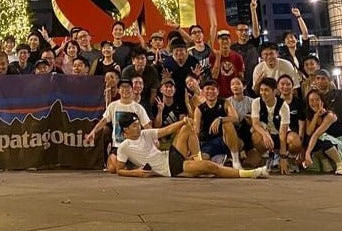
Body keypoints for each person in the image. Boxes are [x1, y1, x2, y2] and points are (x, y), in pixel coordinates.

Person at [114, 113, 268, 179]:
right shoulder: (124, 146)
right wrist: (135, 172)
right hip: (169, 168)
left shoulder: (145, 134)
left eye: (138, 124)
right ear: (126, 129)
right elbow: (119, 169)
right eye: (134, 126)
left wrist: (183, 121)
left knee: (187, 127)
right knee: (210, 166)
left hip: (169, 156)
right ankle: (250, 173)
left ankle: (197, 159)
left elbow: (166, 130)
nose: (139, 127)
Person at [84, 78, 151, 173]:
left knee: (132, 167)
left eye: (128, 88)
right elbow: (104, 120)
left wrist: (154, 139)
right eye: (122, 88)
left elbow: (147, 126)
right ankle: (126, 167)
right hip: (117, 146)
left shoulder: (138, 108)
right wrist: (93, 132)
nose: (125, 90)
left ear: (132, 90)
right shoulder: (113, 105)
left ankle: (131, 166)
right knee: (112, 169)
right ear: (119, 90)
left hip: (134, 146)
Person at [302, 88, 342, 175]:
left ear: (322, 101)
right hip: (327, 145)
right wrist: (316, 116)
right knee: (314, 166)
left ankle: (341, 164)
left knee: (321, 136)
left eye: (317, 100)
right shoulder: (310, 115)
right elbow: (309, 132)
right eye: (311, 100)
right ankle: (325, 161)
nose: (314, 103)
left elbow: (317, 134)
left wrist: (307, 153)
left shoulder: (330, 115)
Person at [251, 76, 292, 174]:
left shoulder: (283, 106)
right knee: (255, 136)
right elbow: (255, 123)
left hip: (280, 134)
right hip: (267, 134)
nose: (263, 93)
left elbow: (283, 133)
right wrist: (265, 134)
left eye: (266, 90)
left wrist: (283, 156)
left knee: (294, 141)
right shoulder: (256, 102)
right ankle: (267, 156)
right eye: (261, 90)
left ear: (274, 91)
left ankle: (288, 159)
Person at [194, 78, 234, 166]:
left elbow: (235, 118)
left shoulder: (225, 102)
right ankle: (217, 160)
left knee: (228, 125)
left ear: (217, 92)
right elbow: (196, 130)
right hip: (207, 141)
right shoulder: (199, 108)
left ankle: (234, 159)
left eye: (213, 89)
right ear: (203, 92)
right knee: (202, 161)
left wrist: (220, 119)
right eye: (207, 89)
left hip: (223, 140)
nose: (210, 91)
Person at [231, 0, 264, 92]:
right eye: (241, 30)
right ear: (236, 32)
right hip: (238, 83)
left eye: (246, 30)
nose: (243, 32)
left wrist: (253, 10)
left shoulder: (253, 44)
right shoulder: (232, 48)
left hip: (254, 82)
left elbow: (256, 32)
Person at [225, 75, 256, 168]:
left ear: (244, 86)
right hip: (233, 131)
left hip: (248, 131)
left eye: (238, 84)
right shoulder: (227, 101)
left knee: (251, 163)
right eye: (232, 84)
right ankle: (233, 156)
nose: (235, 86)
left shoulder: (252, 101)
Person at [277, 74, 306, 168]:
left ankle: (291, 157)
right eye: (282, 84)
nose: (285, 87)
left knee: (295, 141)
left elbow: (301, 126)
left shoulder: (299, 103)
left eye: (288, 84)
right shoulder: (274, 102)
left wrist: (300, 145)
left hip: (292, 134)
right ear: (278, 86)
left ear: (292, 86)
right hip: (277, 133)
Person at [210, 29, 247, 100]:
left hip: (234, 96)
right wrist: (218, 58)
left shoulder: (237, 57)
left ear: (230, 40)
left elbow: (241, 76)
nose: (225, 41)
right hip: (218, 95)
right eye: (222, 39)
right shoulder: (213, 56)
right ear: (218, 41)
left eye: (227, 39)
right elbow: (214, 76)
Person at [279, 7, 312, 73]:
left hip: (305, 78)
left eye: (292, 37)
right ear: (284, 42)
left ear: (296, 40)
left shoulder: (303, 51)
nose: (290, 40)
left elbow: (305, 33)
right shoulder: (283, 57)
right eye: (287, 38)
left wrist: (298, 16)